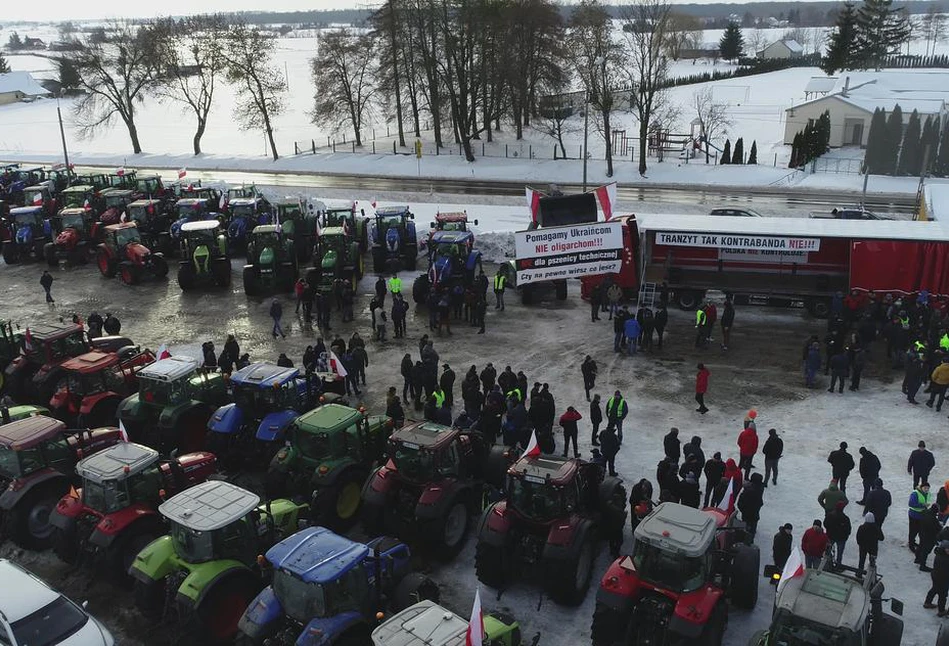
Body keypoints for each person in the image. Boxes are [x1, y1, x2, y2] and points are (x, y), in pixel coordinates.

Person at [924, 538, 949, 616]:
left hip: (935, 575)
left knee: (934, 589)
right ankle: (941, 611)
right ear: (944, 549)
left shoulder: (940, 554)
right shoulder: (945, 559)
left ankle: (927, 602)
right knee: (943, 595)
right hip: (942, 579)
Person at [824, 501, 852, 568]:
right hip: (841, 538)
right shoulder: (845, 518)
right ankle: (838, 565)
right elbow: (848, 529)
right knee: (840, 553)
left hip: (830, 536)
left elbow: (825, 524)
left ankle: (828, 563)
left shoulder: (830, 515)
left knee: (828, 551)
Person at [738, 473, 765, 539]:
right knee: (753, 524)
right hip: (755, 511)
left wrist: (742, 509)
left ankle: (746, 539)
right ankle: (751, 536)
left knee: (747, 527)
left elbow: (742, 501)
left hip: (747, 512)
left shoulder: (749, 491)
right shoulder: (760, 487)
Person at [909, 482, 933, 553]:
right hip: (914, 515)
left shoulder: (928, 493)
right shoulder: (915, 493)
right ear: (921, 487)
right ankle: (911, 544)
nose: (926, 489)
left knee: (919, 530)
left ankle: (913, 541)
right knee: (913, 531)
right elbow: (911, 504)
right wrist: (923, 505)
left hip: (922, 515)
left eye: (928, 488)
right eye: (925, 488)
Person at [917, 504, 941, 571]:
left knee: (921, 546)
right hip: (929, 537)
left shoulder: (924, 512)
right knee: (925, 551)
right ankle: (922, 565)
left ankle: (917, 559)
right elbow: (937, 529)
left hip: (921, 533)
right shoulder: (933, 519)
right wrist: (940, 526)